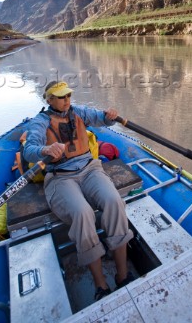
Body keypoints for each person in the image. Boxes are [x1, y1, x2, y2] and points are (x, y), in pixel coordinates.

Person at [23, 80, 134, 301]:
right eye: (61, 96)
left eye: (68, 95)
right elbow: (29, 150)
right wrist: (45, 149)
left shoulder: (79, 112)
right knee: (82, 213)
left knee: (114, 201)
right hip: (60, 177)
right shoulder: (40, 122)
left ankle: (123, 275)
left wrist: (109, 116)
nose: (67, 100)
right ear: (49, 100)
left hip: (90, 169)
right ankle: (101, 284)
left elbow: (100, 118)